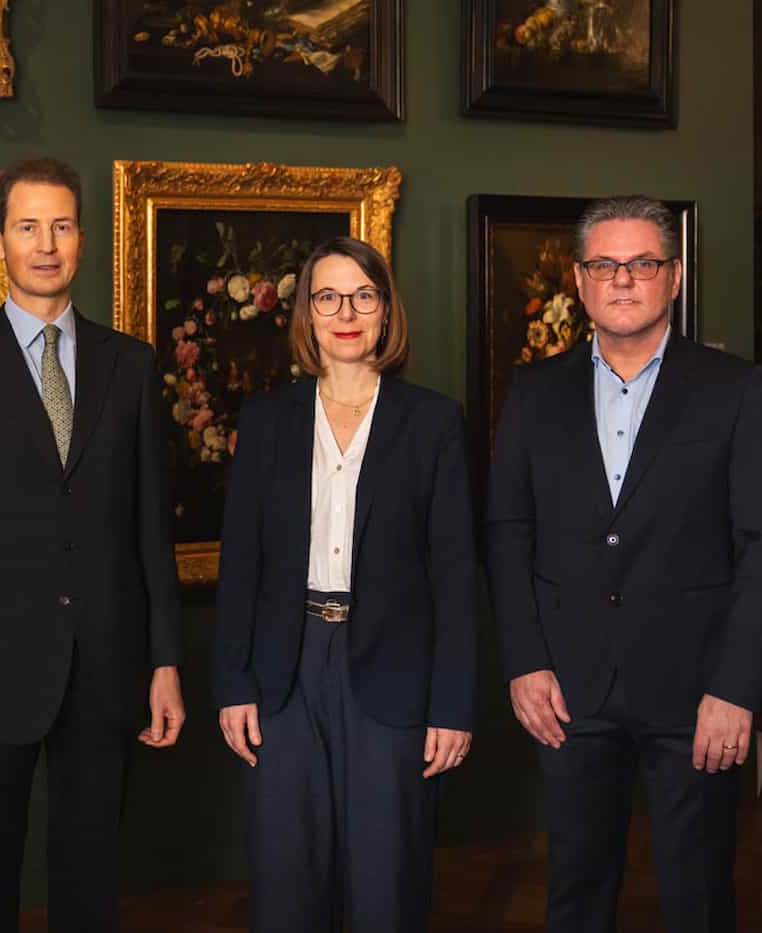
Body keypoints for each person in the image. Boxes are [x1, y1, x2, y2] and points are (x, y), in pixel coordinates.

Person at [487, 195, 762, 932]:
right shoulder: (534, 392)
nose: (622, 279)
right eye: (604, 264)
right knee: (575, 891)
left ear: (674, 276)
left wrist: (735, 689)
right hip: (569, 687)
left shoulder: (734, 390)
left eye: (643, 263)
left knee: (699, 896)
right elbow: (507, 530)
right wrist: (525, 661)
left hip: (697, 694)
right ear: (579, 278)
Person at [0, 157, 185, 933]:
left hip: (108, 665)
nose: (46, 244)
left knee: (91, 882)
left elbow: (150, 529)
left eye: (60, 226)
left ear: (82, 239)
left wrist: (164, 660)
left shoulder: (131, 366)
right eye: (28, 227)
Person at [214, 236, 479, 933]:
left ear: (387, 311)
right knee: (286, 886)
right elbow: (242, 566)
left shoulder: (433, 422)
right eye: (328, 297)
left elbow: (455, 576)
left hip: (394, 675)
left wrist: (453, 704)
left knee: (386, 888)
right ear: (307, 313)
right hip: (285, 672)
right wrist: (234, 683)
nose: (347, 313)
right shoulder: (267, 421)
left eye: (364, 296)